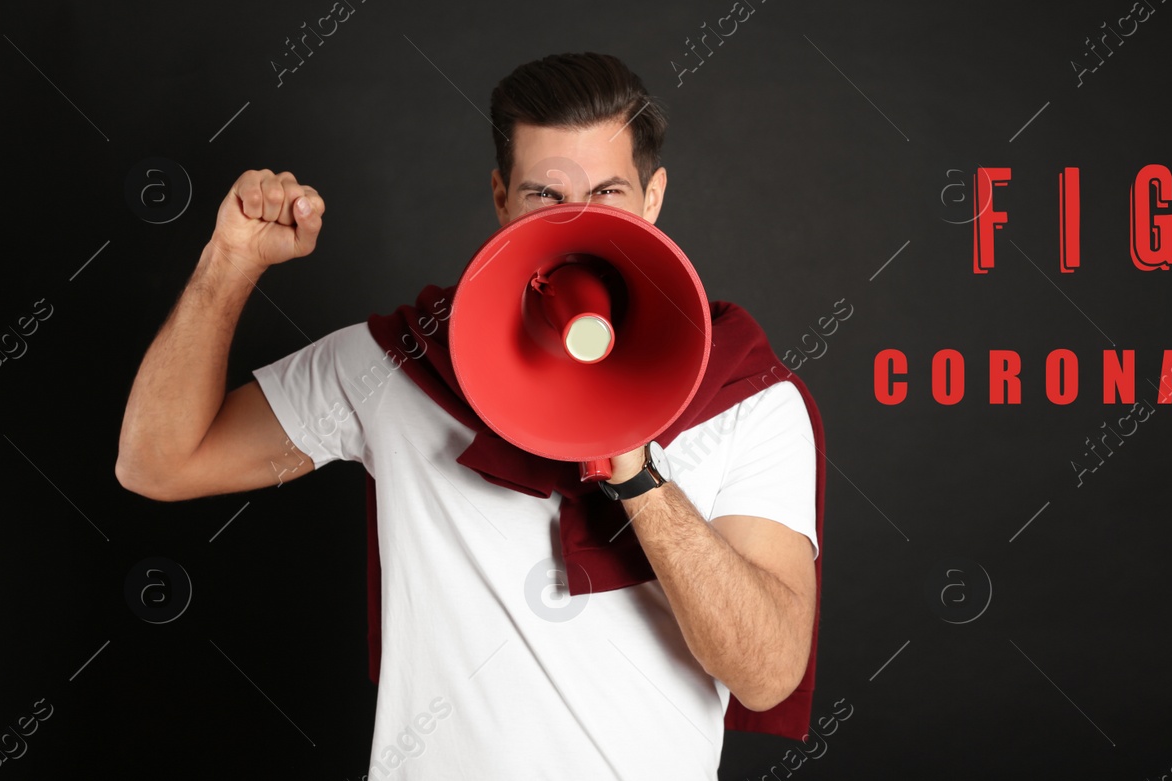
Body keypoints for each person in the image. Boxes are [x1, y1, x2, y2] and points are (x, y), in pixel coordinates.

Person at [115, 52, 824, 778]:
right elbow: (157, 462)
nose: (577, 219)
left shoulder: (748, 396)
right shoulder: (400, 366)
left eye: (607, 190)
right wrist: (228, 263)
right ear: (500, 199)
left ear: (653, 198)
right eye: (545, 193)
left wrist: (640, 479)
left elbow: (767, 673)